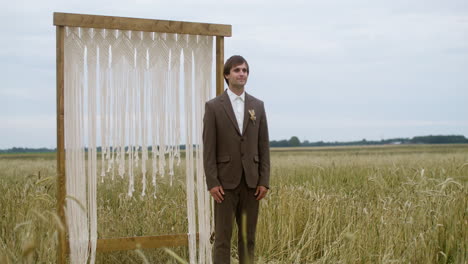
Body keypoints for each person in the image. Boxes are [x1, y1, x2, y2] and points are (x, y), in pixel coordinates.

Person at [203, 55, 270, 264]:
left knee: (248, 239)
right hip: (224, 184)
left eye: (245, 70)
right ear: (226, 75)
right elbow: (208, 148)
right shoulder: (213, 107)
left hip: (252, 184)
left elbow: (263, 146)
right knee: (222, 239)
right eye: (237, 70)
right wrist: (212, 182)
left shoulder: (257, 106)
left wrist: (264, 181)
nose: (242, 74)